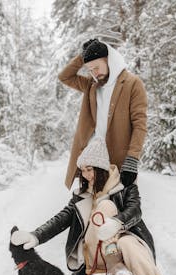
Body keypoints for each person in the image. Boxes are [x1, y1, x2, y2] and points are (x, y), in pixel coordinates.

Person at [10, 137, 176, 275]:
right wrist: (36, 235)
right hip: (97, 252)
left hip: (127, 243)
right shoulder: (81, 196)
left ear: (101, 169)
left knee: (128, 243)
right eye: (82, 169)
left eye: (89, 169)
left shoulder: (126, 187)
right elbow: (60, 219)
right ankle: (113, 263)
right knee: (106, 206)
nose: (84, 174)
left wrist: (117, 223)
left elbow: (135, 211)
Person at [58, 38, 147, 191]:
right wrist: (83, 55)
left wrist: (132, 158)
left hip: (117, 161)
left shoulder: (132, 83)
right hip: (92, 162)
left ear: (109, 60)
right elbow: (65, 77)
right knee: (88, 210)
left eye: (97, 67)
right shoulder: (90, 85)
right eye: (90, 69)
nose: (94, 73)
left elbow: (140, 124)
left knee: (118, 211)